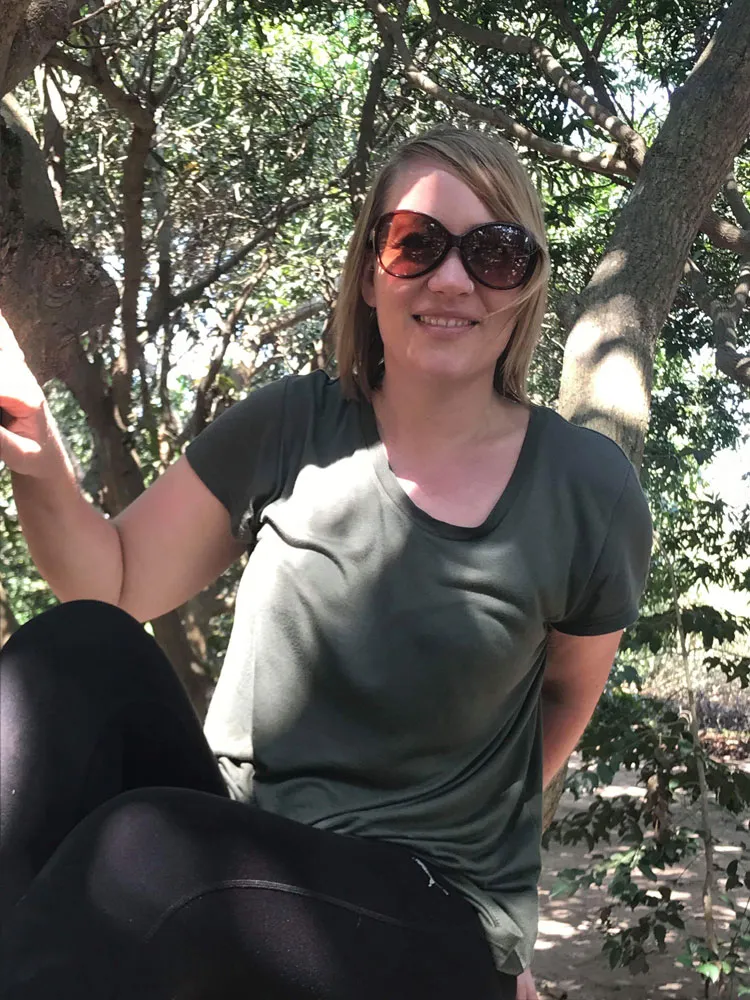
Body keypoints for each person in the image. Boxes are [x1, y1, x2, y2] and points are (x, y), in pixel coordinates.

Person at [0, 125, 652, 1000]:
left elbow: (566, 696)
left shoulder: (586, 488)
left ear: (526, 284)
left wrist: (474, 836)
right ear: (370, 271)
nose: (452, 279)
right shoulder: (293, 426)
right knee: (73, 651)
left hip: (426, 901)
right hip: (237, 851)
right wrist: (37, 449)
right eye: (415, 243)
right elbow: (114, 583)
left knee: (145, 850)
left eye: (495, 253)